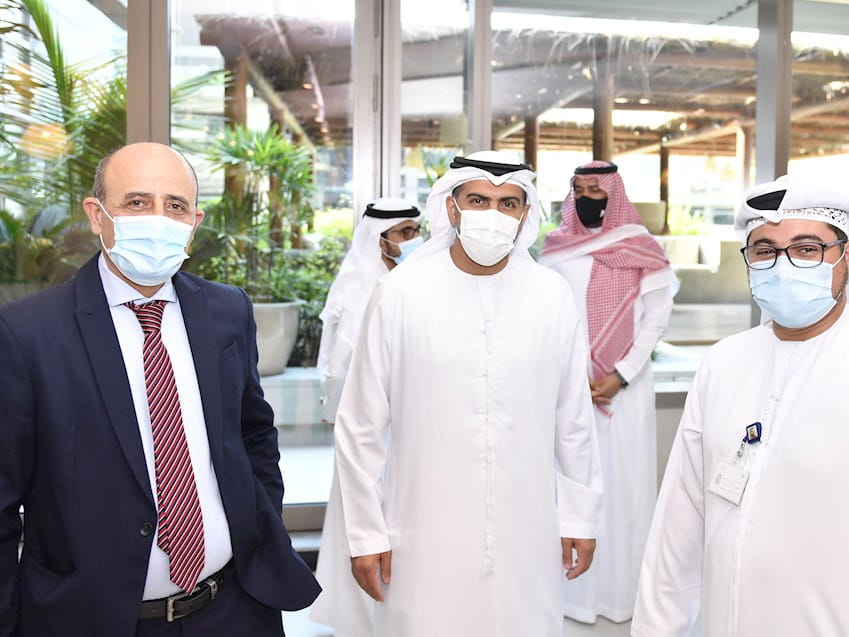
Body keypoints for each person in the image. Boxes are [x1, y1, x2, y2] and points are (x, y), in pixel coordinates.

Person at [0, 142, 320, 636]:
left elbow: (254, 435)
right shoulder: (27, 333)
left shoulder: (227, 310)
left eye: (175, 206)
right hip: (90, 620)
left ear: (194, 222)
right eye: (136, 202)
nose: (157, 219)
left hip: (234, 609)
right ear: (97, 215)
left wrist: (262, 526)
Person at [334, 151, 604, 637]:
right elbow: (360, 425)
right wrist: (365, 534)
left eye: (507, 203)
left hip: (529, 531)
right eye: (478, 200)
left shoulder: (551, 295)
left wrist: (580, 518)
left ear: (524, 214)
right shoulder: (400, 293)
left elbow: (574, 421)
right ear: (452, 207)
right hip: (422, 531)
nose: (492, 214)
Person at [632, 175, 849, 636]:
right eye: (765, 250)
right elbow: (681, 517)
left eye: (807, 248)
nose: (784, 265)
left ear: (844, 255)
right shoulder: (724, 361)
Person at [539, 160, 676, 624]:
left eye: (595, 190)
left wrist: (620, 374)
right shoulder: (555, 251)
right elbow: (545, 321)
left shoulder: (640, 246)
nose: (585, 199)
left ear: (614, 195)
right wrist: (570, 375)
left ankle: (619, 596)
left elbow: (656, 320)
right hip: (567, 390)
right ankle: (571, 597)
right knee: (569, 486)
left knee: (623, 490)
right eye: (578, 190)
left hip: (625, 391)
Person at [310, 197, 422, 636]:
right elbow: (339, 364)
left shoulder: (409, 280)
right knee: (366, 519)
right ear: (380, 240)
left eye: (416, 230)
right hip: (372, 425)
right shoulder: (360, 287)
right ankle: (363, 618)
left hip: (408, 421)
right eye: (405, 233)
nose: (414, 240)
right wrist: (340, 412)